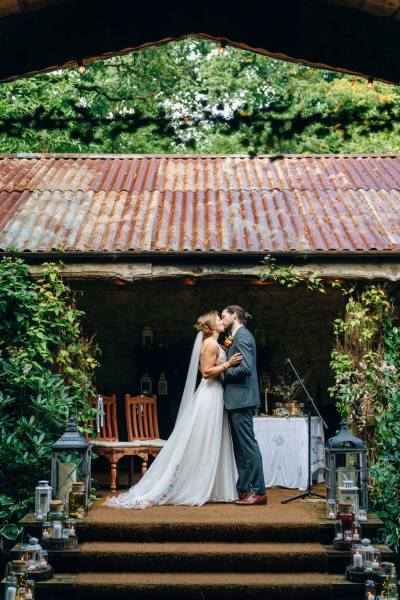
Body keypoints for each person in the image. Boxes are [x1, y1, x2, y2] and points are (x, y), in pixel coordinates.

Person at [105, 310, 242, 509]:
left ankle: (212, 485)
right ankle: (197, 485)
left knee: (210, 438)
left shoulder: (213, 343)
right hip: (210, 395)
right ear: (212, 327)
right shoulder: (211, 344)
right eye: (218, 319)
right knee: (204, 438)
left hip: (214, 394)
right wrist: (228, 363)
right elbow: (205, 372)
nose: (222, 321)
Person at [221, 305, 267, 505]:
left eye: (224, 316)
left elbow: (246, 368)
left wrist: (222, 371)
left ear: (234, 316)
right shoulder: (236, 337)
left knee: (248, 447)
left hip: (241, 399)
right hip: (236, 400)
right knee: (241, 449)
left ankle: (258, 491)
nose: (222, 320)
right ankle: (244, 488)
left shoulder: (243, 336)